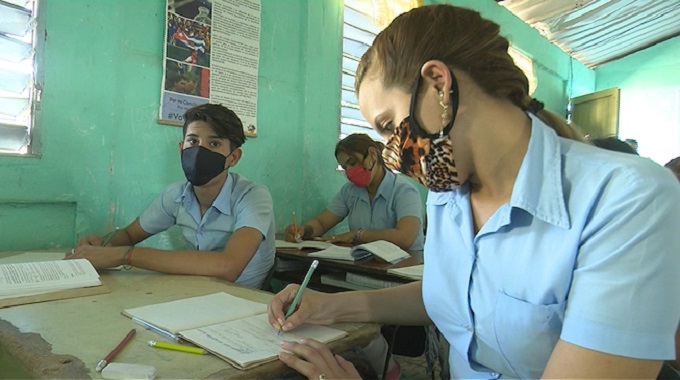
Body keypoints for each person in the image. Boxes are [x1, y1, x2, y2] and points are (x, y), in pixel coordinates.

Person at [267, 4, 680, 379]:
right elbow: (456, 297)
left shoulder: (627, 198)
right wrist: (328, 305)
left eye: (391, 126)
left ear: (438, 83)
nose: (393, 155)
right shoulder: (448, 194)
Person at [67, 103, 275, 289]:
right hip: (198, 291)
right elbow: (130, 235)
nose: (199, 151)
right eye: (192, 141)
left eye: (214, 144)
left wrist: (126, 255)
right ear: (180, 148)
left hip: (245, 301)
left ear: (234, 157)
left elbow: (229, 266)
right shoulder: (175, 195)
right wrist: (101, 245)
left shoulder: (253, 196)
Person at [284, 133, 424, 251]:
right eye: (345, 167)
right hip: (366, 265)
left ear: (372, 155)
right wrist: (303, 230)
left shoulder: (404, 192)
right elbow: (321, 223)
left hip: (405, 268)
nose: (350, 172)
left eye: (352, 163)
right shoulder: (350, 192)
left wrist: (357, 235)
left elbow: (405, 238)